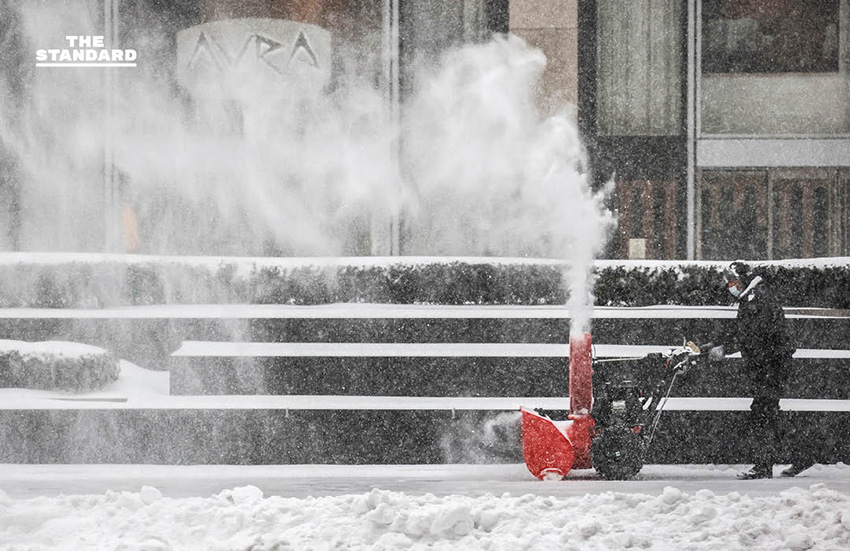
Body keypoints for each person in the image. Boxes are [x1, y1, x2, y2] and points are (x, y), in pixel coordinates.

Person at [704, 261, 810, 479]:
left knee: (762, 414)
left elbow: (753, 335)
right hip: (770, 365)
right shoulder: (752, 298)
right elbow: (742, 331)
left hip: (771, 365)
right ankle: (802, 453)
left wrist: (725, 348)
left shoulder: (757, 300)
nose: (730, 287)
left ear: (744, 280)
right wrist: (713, 344)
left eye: (733, 281)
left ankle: (763, 466)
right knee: (768, 413)